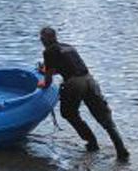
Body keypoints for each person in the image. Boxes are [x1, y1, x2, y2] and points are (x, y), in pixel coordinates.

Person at [39, 26, 129, 160]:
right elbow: (67, 67)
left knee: (68, 113)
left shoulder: (48, 52)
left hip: (74, 83)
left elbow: (48, 80)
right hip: (89, 80)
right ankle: (121, 150)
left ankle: (91, 142)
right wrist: (47, 71)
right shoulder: (68, 47)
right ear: (55, 37)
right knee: (104, 117)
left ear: (43, 39)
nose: (41, 40)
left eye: (42, 38)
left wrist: (41, 82)